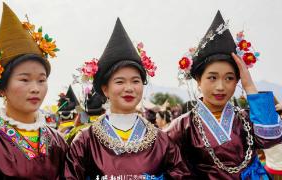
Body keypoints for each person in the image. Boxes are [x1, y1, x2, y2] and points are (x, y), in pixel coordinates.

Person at [67, 18, 191, 179]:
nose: (129, 88)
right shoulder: (85, 141)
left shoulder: (161, 141)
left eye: (135, 81)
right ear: (105, 89)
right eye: (120, 81)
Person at [167, 11, 282, 179]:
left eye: (229, 78)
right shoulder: (181, 127)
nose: (220, 86)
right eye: (212, 77)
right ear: (198, 80)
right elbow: (172, 169)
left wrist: (249, 85)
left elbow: (272, 138)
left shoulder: (247, 119)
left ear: (238, 80)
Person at [0, 3, 69, 179]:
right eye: (24, 79)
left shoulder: (58, 142)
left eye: (42, 80)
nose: (35, 88)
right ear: (2, 87)